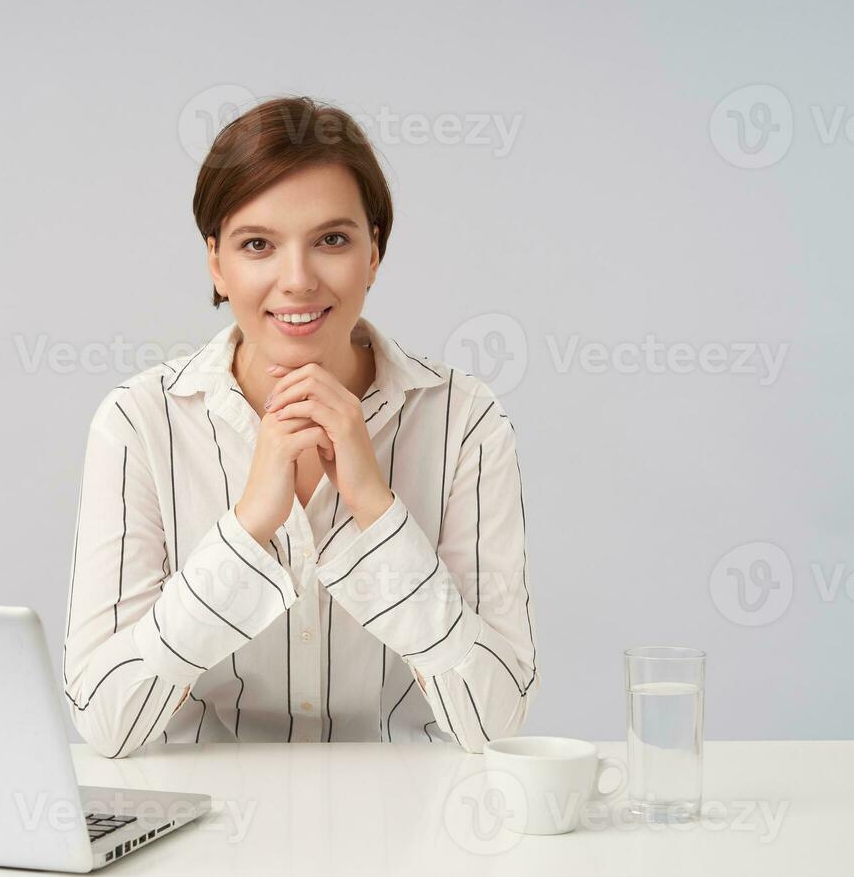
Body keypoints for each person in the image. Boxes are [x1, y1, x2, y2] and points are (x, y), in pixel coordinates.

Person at [62, 96, 538, 757]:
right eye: (257, 245)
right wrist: (247, 529)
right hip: (210, 825)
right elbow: (107, 722)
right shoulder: (139, 423)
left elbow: (493, 721)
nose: (297, 281)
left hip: (414, 827)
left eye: (332, 241)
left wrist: (376, 509)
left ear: (374, 253)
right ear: (217, 264)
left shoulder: (463, 419)